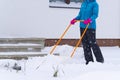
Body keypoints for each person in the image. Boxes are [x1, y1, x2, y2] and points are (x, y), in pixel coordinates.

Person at [70, 0, 104, 65]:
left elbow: (95, 15)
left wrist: (89, 20)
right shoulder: (83, 3)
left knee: (93, 43)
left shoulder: (95, 4)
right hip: (82, 26)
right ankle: (89, 61)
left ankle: (100, 60)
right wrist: (75, 19)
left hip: (90, 27)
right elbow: (80, 14)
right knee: (85, 44)